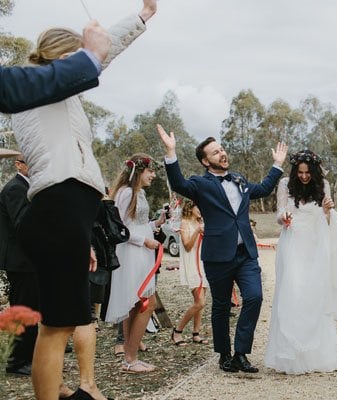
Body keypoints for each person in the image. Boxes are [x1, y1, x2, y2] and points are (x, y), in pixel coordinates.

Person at [12, 2, 157, 398]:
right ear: (62, 56)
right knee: (57, 325)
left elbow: (99, 57)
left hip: (68, 214)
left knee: (64, 319)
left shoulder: (59, 94)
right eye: (77, 54)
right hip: (57, 208)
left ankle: (74, 389)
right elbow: (101, 55)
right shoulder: (40, 86)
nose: (86, 63)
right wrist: (141, 17)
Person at [158, 124, 288, 373]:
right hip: (218, 256)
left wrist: (277, 165)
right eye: (216, 152)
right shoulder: (200, 183)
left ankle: (241, 352)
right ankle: (224, 354)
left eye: (222, 149)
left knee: (255, 297)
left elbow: (262, 189)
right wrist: (171, 152)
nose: (222, 153)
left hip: (246, 254)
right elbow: (178, 184)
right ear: (206, 161)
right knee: (220, 306)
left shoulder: (239, 179)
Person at [264, 150, 337, 374]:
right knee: (292, 291)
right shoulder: (285, 184)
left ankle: (319, 357)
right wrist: (284, 218)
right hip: (292, 242)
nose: (304, 176)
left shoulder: (324, 185)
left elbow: (327, 220)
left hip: (316, 244)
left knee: (315, 295)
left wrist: (326, 211)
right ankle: (290, 356)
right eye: (300, 173)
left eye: (307, 173)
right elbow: (279, 213)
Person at [105, 154, 165, 373]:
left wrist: (155, 224)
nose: (153, 175)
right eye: (150, 171)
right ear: (138, 171)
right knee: (146, 303)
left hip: (143, 252)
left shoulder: (140, 193)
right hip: (132, 253)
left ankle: (130, 358)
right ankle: (130, 358)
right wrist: (144, 241)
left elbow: (138, 223)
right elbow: (118, 228)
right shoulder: (126, 193)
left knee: (138, 304)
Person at [0, 20, 110, 114]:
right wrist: (92, 54)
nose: (78, 61)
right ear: (65, 58)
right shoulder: (44, 92)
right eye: (78, 56)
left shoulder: (41, 88)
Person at [0, 156, 37, 376]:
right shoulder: (15, 188)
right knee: (23, 309)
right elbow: (23, 224)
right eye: (30, 161)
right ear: (18, 164)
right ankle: (17, 361)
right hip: (20, 260)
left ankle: (30, 355)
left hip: (29, 260)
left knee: (32, 308)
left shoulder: (28, 187)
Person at [171, 199, 210, 346]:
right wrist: (197, 231)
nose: (201, 209)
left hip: (203, 263)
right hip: (192, 265)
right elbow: (187, 246)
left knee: (200, 302)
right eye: (198, 207)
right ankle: (177, 331)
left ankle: (196, 333)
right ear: (190, 207)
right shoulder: (185, 223)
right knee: (200, 302)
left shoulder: (202, 222)